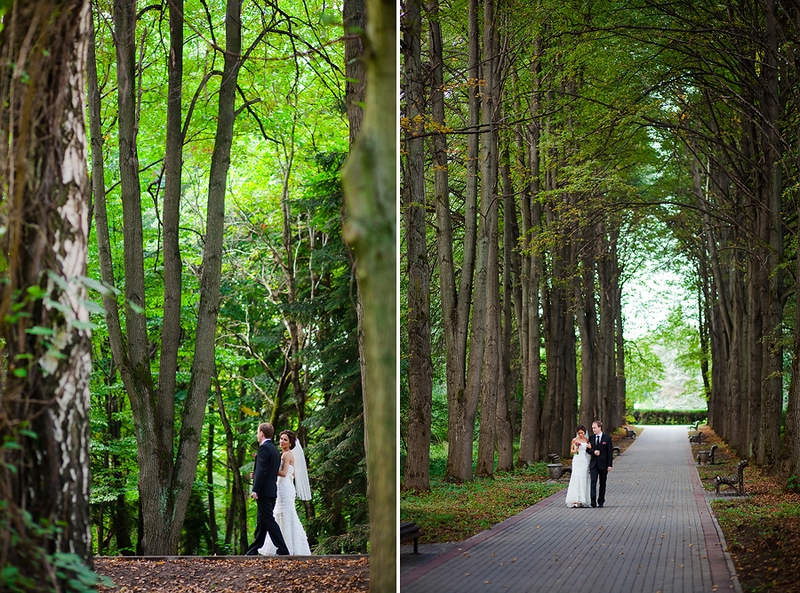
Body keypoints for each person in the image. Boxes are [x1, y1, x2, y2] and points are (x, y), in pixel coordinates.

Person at [259, 429, 312, 556]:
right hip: (282, 486)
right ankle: (282, 546)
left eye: (285, 440)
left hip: (285, 488)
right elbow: (291, 473)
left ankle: (291, 547)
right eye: (281, 439)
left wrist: (268, 469)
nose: (281, 442)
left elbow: (283, 473)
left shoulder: (287, 454)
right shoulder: (284, 454)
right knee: (279, 514)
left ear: (290, 443)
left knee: (287, 514)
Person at [245, 422, 290, 555]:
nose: (257, 435)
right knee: (262, 522)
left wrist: (255, 489)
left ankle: (283, 549)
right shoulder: (275, 450)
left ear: (262, 433)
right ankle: (253, 550)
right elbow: (269, 470)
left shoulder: (264, 449)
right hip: (271, 490)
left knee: (268, 520)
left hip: (264, 491)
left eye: (258, 432)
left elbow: (263, 471)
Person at [564, 425, 591, 507]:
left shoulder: (586, 440)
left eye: (582, 433)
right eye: (579, 433)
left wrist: (586, 445)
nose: (580, 435)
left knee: (583, 478)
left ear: (584, 433)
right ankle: (575, 499)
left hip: (584, 460)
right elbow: (571, 451)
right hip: (577, 460)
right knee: (576, 477)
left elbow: (590, 447)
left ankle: (582, 499)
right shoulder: (574, 440)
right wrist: (575, 450)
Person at [588, 419, 613, 508]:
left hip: (603, 464)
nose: (593, 430)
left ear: (600, 427)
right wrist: (593, 452)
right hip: (594, 464)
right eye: (592, 428)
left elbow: (609, 452)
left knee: (602, 483)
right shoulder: (591, 438)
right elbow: (588, 450)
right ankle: (593, 501)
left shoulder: (607, 438)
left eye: (595, 428)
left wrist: (609, 465)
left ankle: (601, 501)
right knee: (593, 481)